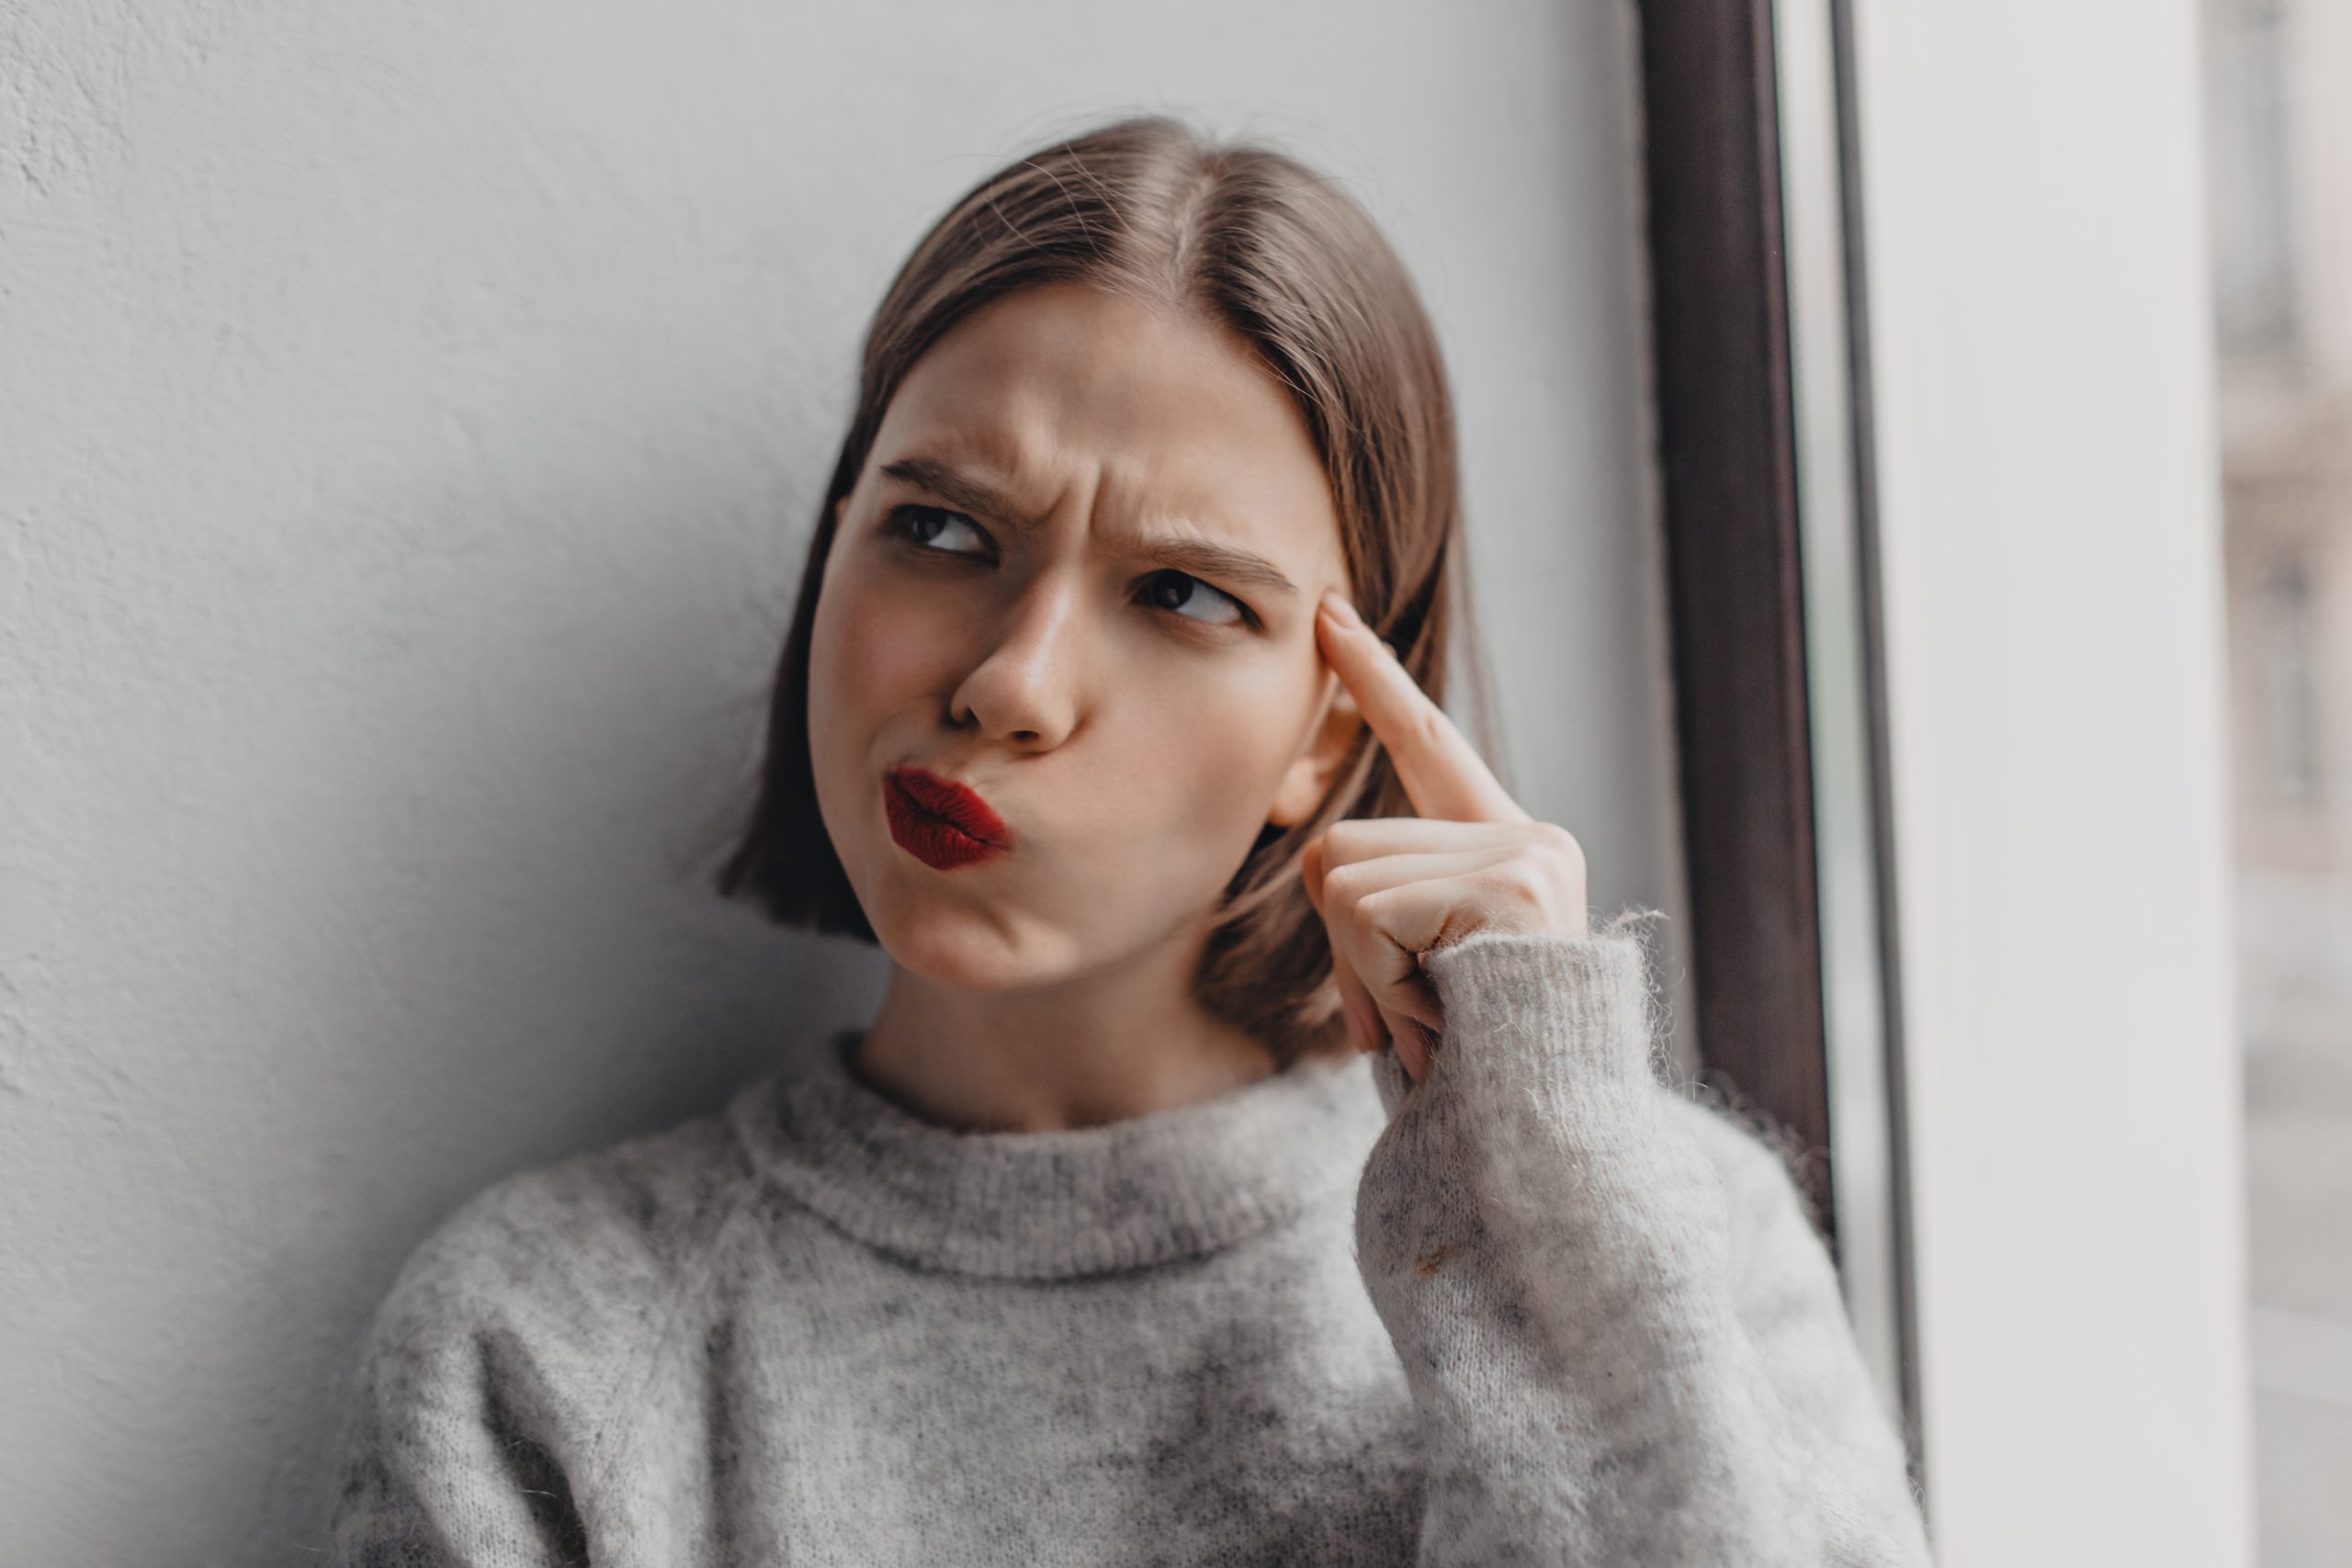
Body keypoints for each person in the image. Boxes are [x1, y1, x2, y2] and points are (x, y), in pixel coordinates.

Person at [321, 112, 1936, 1565]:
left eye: (1179, 593)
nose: (1008, 682)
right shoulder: (555, 1343)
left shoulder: (1661, 1242)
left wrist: (1551, 1191)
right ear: (832, 565)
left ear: (1328, 731)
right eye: (942, 531)